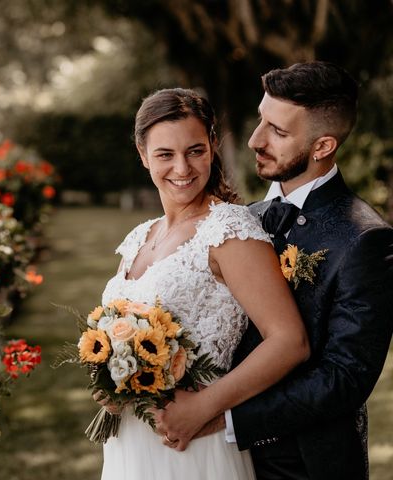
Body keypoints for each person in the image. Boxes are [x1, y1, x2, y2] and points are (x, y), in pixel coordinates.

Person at [154, 62, 393, 480]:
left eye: (278, 132)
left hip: (302, 465)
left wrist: (225, 419)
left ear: (323, 147)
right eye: (261, 119)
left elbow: (344, 378)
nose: (254, 140)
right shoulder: (239, 219)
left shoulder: (365, 239)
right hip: (209, 458)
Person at [98, 87, 310, 480]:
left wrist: (205, 407)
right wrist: (114, 381)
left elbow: (289, 341)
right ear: (143, 155)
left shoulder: (230, 231)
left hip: (195, 442)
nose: (182, 168)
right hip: (131, 440)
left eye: (195, 150)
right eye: (165, 154)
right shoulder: (140, 237)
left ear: (213, 146)